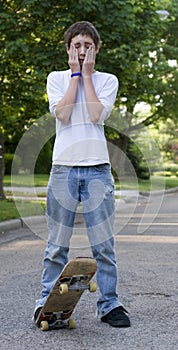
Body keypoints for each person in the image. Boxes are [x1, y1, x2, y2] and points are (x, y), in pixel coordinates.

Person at [33, 21, 130, 328]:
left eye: (88, 45)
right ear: (68, 49)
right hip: (63, 169)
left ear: (97, 49)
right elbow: (61, 113)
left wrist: (87, 76)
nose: (82, 50)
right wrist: (76, 75)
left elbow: (96, 115)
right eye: (77, 45)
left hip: (98, 170)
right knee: (57, 245)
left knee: (103, 243)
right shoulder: (56, 78)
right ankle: (46, 304)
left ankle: (109, 303)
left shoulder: (107, 80)